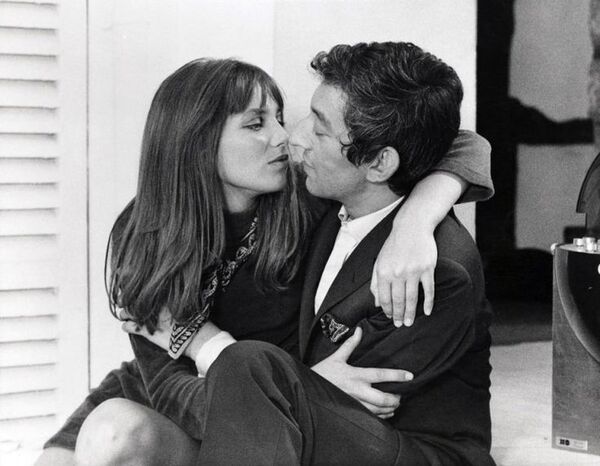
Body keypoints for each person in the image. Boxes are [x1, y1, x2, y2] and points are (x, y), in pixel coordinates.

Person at [37, 53, 492, 465]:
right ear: (196, 141)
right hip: (178, 390)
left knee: (124, 434)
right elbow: (165, 380)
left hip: (278, 393)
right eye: (256, 124)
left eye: (280, 118)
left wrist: (415, 219)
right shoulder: (145, 233)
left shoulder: (304, 197)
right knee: (93, 443)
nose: (285, 137)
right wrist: (273, 391)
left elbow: (450, 142)